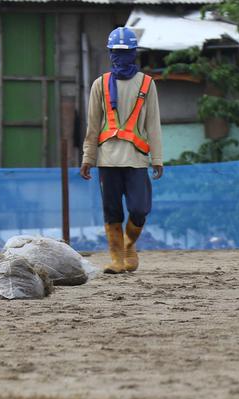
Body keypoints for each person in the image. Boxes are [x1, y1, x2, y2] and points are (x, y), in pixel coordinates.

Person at [80, 27, 163, 274]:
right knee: (112, 211)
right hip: (107, 160)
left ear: (134, 54)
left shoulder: (147, 84)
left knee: (139, 209)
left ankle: (129, 245)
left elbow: (153, 124)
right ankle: (117, 259)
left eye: (125, 52)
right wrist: (88, 157)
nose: (121, 57)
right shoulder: (100, 84)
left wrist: (157, 158)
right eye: (116, 52)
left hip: (137, 159)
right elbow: (92, 125)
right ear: (110, 53)